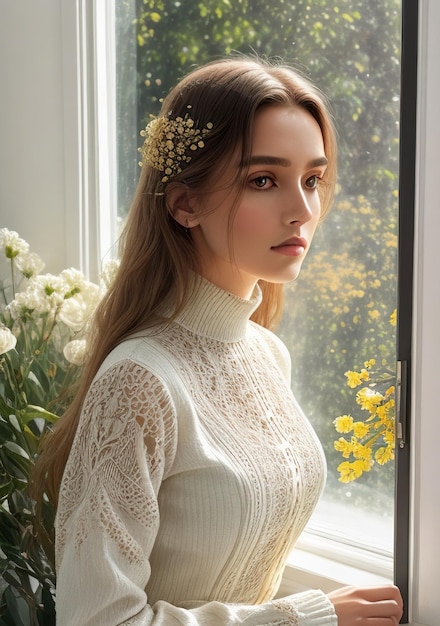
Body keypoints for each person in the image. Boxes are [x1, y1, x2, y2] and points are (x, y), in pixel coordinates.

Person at [33, 56, 403, 625]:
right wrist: (304, 619)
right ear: (184, 203)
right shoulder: (139, 381)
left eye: (312, 180)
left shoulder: (266, 355)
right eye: (263, 180)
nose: (303, 210)